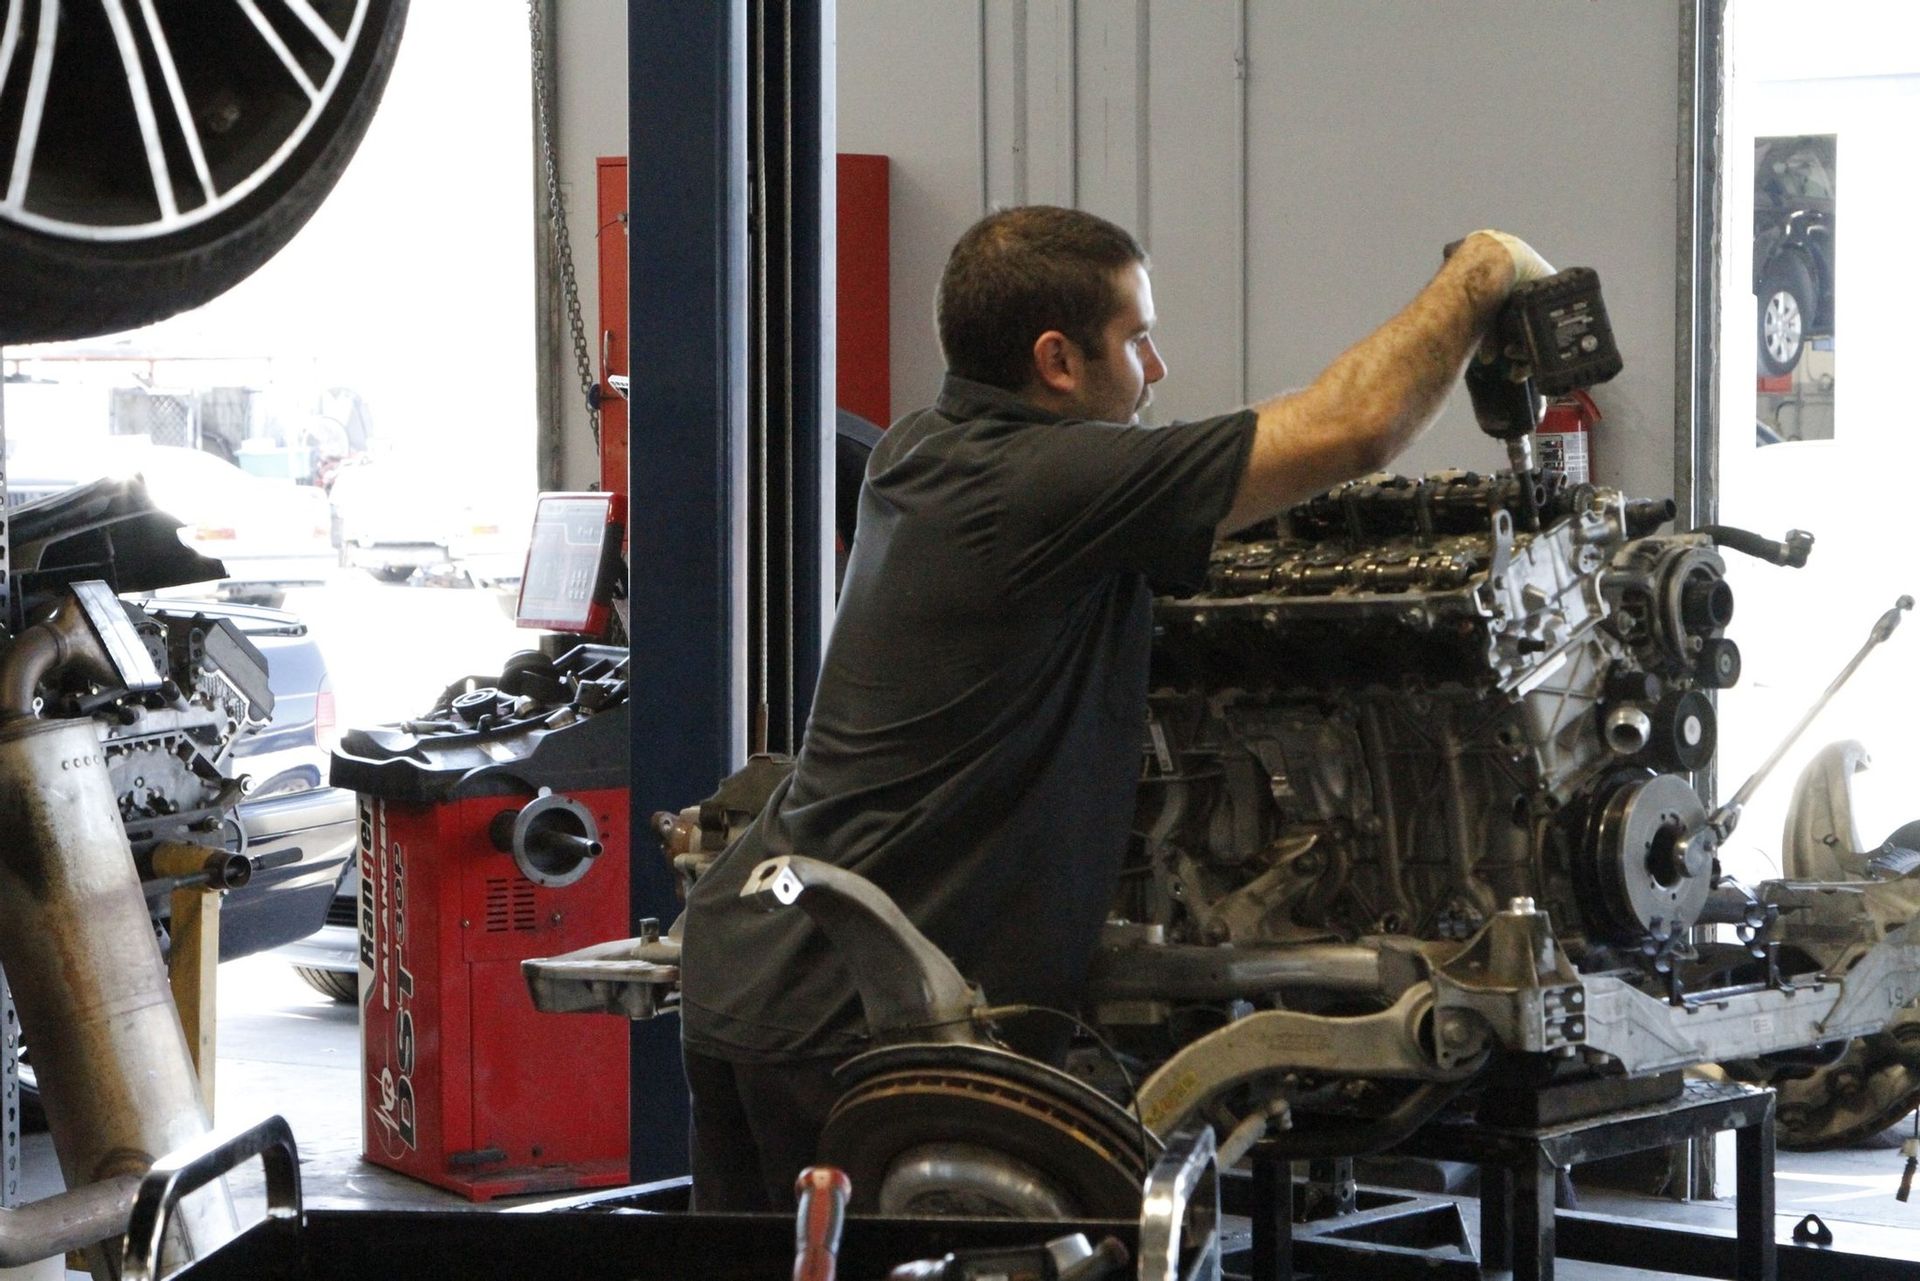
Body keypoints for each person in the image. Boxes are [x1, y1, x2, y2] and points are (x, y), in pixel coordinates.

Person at [676, 207, 1553, 1211]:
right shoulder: (1045, 480)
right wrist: (1481, 272)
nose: (1158, 367)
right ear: (1057, 360)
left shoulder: (922, 449)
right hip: (857, 1017)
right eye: (1137, 338)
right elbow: (1353, 428)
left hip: (759, 973)